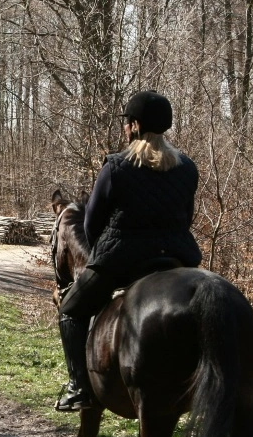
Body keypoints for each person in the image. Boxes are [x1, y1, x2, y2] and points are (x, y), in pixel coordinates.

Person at [54, 90, 203, 411]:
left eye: (127, 122)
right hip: (177, 260)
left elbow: (92, 222)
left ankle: (79, 386)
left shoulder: (117, 166)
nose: (125, 127)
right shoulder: (187, 168)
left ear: (134, 126)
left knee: (70, 310)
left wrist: (101, 253)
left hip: (122, 261)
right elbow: (186, 218)